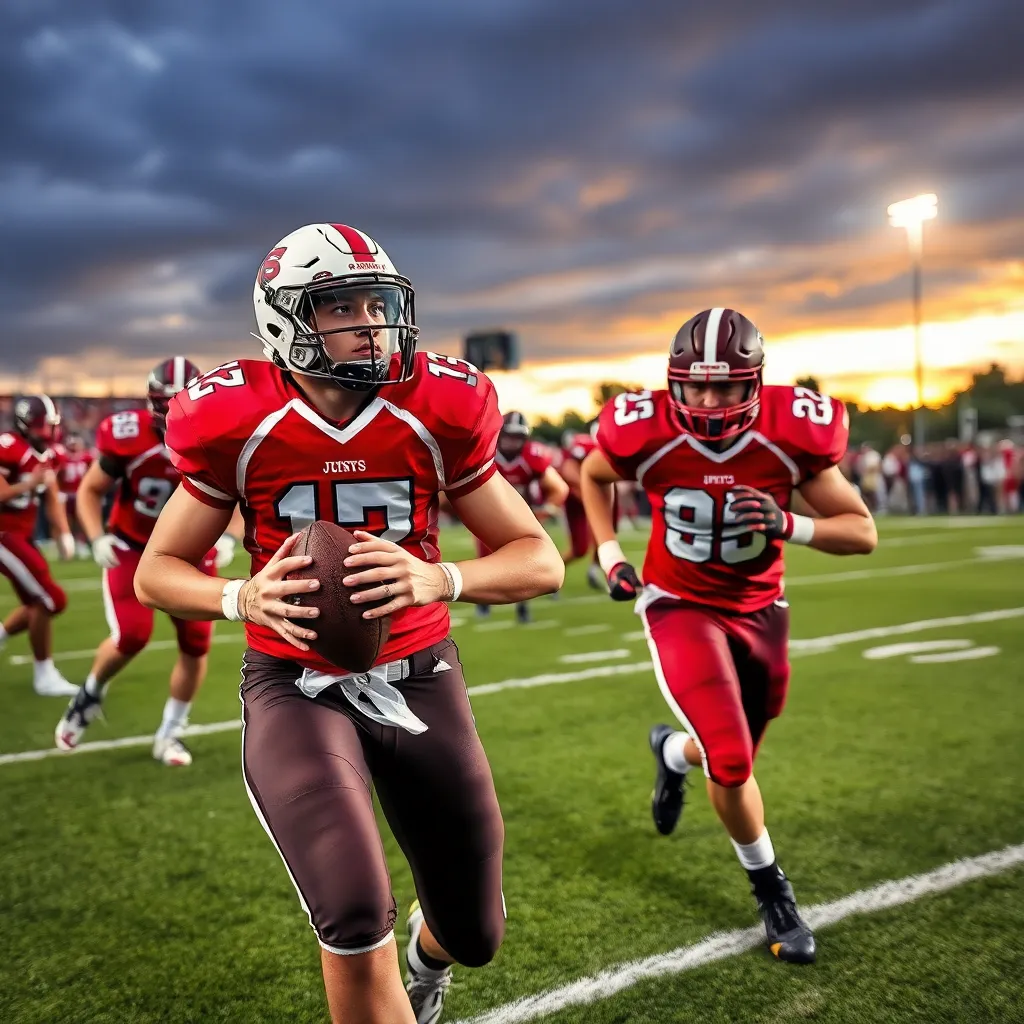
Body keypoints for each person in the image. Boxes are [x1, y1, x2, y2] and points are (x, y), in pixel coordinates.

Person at [133, 223, 564, 1024]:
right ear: (287, 320)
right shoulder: (235, 419)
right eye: (344, 307)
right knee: (355, 910)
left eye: (380, 302)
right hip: (295, 689)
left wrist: (441, 577)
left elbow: (541, 559)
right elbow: (155, 571)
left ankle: (428, 961)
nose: (372, 323)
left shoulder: (436, 407)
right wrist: (241, 597)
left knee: (474, 933)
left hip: (421, 677)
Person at [581, 308, 877, 965]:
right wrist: (607, 554)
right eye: (696, 386)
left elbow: (861, 532)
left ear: (756, 384)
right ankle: (773, 891)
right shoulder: (646, 433)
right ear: (673, 383)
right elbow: (594, 476)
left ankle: (671, 754)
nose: (709, 401)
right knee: (734, 761)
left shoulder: (787, 436)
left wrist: (787, 523)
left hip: (761, 610)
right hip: (679, 605)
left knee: (730, 752)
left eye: (727, 386)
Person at [54, 358, 229, 766]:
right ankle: (89, 694)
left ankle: (170, 734)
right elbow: (90, 490)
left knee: (196, 643)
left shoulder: (221, 435)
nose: (178, 413)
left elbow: (235, 492)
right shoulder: (128, 437)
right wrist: (96, 537)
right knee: (132, 635)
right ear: (153, 405)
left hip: (192, 552)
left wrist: (230, 534)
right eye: (169, 404)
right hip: (133, 546)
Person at [0, 395, 77, 696]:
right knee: (51, 599)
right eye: (42, 425)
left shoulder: (50, 455)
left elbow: (52, 495)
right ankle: (44, 676)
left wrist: (64, 533)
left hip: (22, 534)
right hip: (4, 532)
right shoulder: (9, 447)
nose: (48, 431)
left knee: (36, 603)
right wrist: (28, 485)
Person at [474, 411, 568, 622]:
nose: (511, 441)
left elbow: (558, 488)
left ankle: (523, 607)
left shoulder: (532, 456)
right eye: (508, 435)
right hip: (486, 514)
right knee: (484, 560)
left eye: (517, 436)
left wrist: (546, 511)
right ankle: (482, 602)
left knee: (524, 562)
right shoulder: (484, 452)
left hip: (521, 515)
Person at [555, 425, 609, 589]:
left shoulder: (608, 451)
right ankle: (551, 571)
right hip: (574, 499)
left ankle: (595, 570)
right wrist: (588, 487)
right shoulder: (585, 445)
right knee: (579, 550)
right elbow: (568, 470)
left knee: (605, 536)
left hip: (589, 497)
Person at [52, 432, 95, 555]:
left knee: (81, 520)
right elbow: (56, 475)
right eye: (72, 444)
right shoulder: (62, 457)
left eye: (76, 444)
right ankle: (64, 545)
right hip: (65, 494)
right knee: (64, 521)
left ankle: (81, 543)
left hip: (80, 493)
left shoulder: (87, 457)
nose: (74, 447)